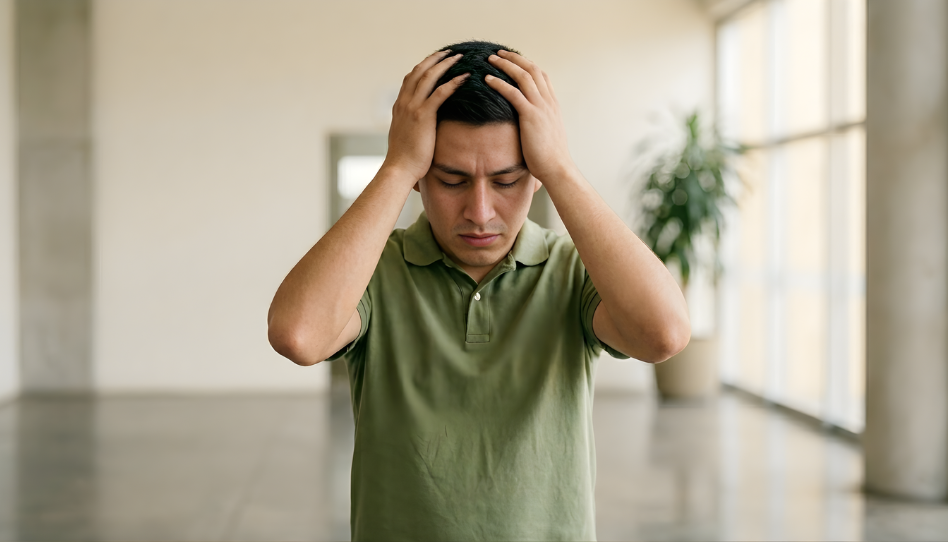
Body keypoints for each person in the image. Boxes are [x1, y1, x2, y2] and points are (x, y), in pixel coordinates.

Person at [267, 40, 691, 541]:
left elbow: (664, 334)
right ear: (421, 177)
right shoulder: (375, 272)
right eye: (451, 180)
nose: (480, 212)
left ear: (535, 176)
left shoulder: (571, 270)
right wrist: (396, 167)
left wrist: (560, 168)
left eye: (507, 181)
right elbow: (299, 336)